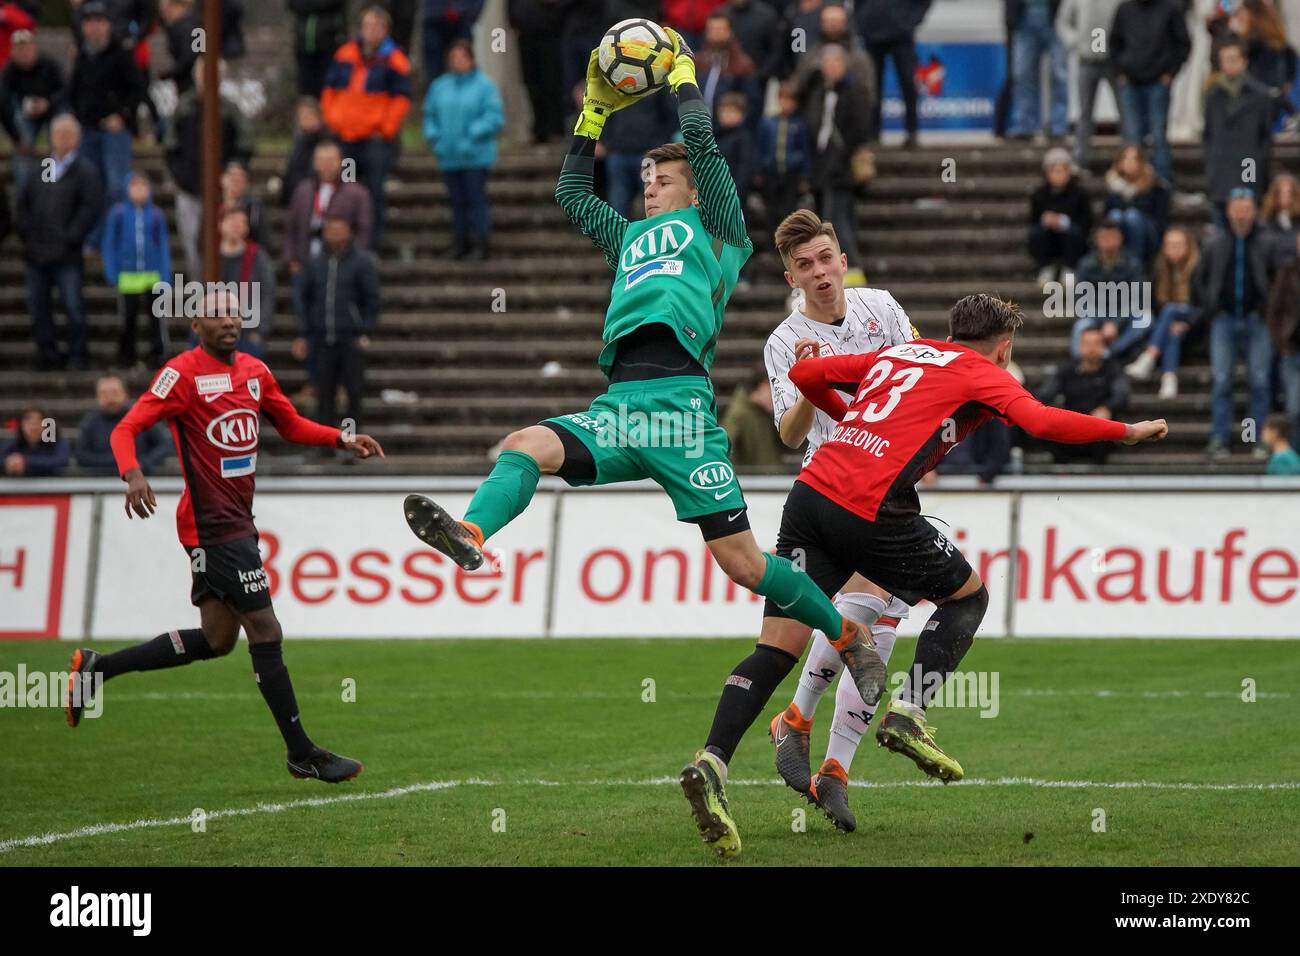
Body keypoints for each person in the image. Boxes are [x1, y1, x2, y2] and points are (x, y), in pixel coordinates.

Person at [403, 38, 887, 860]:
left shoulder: (722, 228)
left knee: (741, 564)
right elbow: (568, 188)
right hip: (623, 405)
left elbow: (700, 144)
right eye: (646, 179)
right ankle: (474, 537)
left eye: (658, 178)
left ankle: (848, 642)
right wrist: (594, 109)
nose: (648, 184)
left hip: (684, 411)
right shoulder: (629, 236)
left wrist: (683, 76)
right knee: (525, 442)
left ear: (690, 188)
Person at [691, 293, 1168, 857]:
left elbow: (806, 372)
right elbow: (1040, 420)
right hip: (870, 507)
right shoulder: (978, 370)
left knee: (778, 647)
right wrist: (1127, 432)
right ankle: (907, 714)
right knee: (967, 597)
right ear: (1004, 347)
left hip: (811, 493)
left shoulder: (907, 352)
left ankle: (713, 762)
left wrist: (853, 424)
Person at [65, 289, 386, 785]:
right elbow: (124, 429)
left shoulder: (255, 373)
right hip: (213, 527)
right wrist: (132, 475)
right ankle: (302, 752)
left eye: (235, 311)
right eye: (216, 313)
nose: (229, 319)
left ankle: (97, 668)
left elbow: (292, 424)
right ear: (196, 324)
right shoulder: (181, 375)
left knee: (218, 640)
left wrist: (340, 438)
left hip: (234, 522)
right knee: (266, 630)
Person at [762, 208, 916, 830]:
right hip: (833, 487)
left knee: (880, 621)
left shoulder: (882, 309)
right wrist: (805, 381)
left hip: (892, 480)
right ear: (791, 276)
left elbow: (919, 374)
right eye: (805, 265)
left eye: (826, 259)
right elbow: (786, 432)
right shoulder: (783, 339)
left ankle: (828, 761)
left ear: (843, 261)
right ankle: (800, 726)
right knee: (868, 604)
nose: (820, 272)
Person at [321, 5, 412, 249]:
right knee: (343, 189)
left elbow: (401, 100)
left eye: (376, 26)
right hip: (345, 137)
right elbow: (329, 91)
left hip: (373, 139)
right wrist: (334, 120)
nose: (371, 31)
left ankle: (372, 243)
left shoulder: (395, 60)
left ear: (385, 30)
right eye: (367, 26)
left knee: (374, 191)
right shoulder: (345, 54)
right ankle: (341, 241)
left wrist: (385, 129)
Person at [17, 114, 103, 371]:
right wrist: (29, 235)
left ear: (77, 139)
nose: (63, 140)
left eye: (68, 135)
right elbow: (24, 203)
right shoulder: (42, 168)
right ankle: (47, 354)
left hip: (67, 253)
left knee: (73, 306)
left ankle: (78, 354)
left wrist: (71, 235)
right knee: (39, 307)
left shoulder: (85, 171)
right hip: (37, 253)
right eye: (59, 134)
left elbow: (90, 207)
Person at [1198, 189, 1276, 460]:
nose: (1242, 214)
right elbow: (1201, 279)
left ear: (1254, 211)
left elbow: (1276, 280)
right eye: (1237, 208)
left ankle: (1259, 441)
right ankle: (1219, 439)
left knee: (1260, 380)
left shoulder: (1267, 242)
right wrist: (1212, 308)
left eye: (1246, 208)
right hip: (1224, 319)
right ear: (1229, 211)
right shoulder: (1214, 242)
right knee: (1222, 381)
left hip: (1258, 320)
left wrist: (1267, 309)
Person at [164, 57, 253, 279]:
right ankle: (200, 293)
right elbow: (170, 147)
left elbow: (245, 145)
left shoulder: (231, 110)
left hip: (223, 192)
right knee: (194, 246)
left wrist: (232, 173)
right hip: (190, 189)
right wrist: (181, 177)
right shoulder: (183, 107)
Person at [67, 0, 146, 249]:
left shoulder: (121, 54)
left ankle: (112, 238)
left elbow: (138, 89)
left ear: (108, 26)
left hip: (114, 132)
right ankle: (93, 239)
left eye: (99, 23)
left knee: (115, 186)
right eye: (90, 23)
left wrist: (122, 115)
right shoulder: (83, 56)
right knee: (90, 187)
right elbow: (73, 90)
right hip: (88, 129)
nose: (94, 28)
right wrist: (74, 117)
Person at [422, 39, 504, 260]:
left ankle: (481, 243)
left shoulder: (485, 86)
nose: (457, 62)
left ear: (471, 59)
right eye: (453, 58)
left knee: (475, 200)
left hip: (475, 156)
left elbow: (494, 117)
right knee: (456, 202)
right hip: (448, 156)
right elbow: (430, 115)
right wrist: (434, 137)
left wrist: (473, 134)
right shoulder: (439, 86)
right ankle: (460, 243)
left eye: (462, 57)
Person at [296, 216, 380, 432]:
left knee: (353, 392)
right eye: (330, 230)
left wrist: (366, 330)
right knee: (325, 393)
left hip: (350, 338)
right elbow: (304, 298)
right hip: (322, 338)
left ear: (349, 233)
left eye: (339, 230)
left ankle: (352, 440)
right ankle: (326, 442)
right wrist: (305, 332)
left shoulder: (361, 262)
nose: (334, 234)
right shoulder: (315, 263)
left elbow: (371, 299)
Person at [800, 44, 873, 287]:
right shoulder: (819, 91)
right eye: (826, 63)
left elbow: (861, 130)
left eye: (835, 63)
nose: (830, 68)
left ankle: (851, 270)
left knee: (838, 219)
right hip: (821, 167)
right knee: (830, 216)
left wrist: (841, 157)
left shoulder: (855, 91)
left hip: (842, 169)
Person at [1110, 0, 1190, 184]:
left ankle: (1162, 183)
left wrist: (1171, 72)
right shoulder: (1124, 10)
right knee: (1132, 136)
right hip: (1130, 81)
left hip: (1158, 81)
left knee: (1158, 135)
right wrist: (1119, 71)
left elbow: (1183, 44)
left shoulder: (1170, 9)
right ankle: (1133, 184)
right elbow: (1112, 41)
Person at [101, 170, 172, 369]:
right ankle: (126, 356)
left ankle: (158, 354)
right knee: (128, 318)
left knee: (156, 318)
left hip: (152, 274)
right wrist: (112, 271)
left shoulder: (156, 215)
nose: (139, 191)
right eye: (135, 186)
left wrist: (165, 274)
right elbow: (109, 244)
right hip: (128, 275)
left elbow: (163, 246)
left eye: (143, 187)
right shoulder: (119, 213)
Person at [1203, 37, 1277, 224]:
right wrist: (1212, 168)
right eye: (1224, 59)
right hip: (1221, 169)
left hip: (1247, 163)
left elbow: (1264, 139)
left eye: (1233, 59)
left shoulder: (1260, 95)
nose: (1228, 64)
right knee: (1220, 226)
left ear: (1244, 61)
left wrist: (1253, 173)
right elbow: (1208, 135)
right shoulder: (1212, 95)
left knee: (1249, 222)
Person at [1037, 325, 1131, 465]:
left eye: (1096, 344)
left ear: (1103, 347)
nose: (1091, 349)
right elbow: (1046, 394)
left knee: (1108, 432)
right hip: (1072, 427)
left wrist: (1107, 408)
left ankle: (1099, 474)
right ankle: (1062, 473)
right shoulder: (1066, 369)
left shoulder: (1113, 369)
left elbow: (1122, 394)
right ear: (1079, 346)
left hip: (1099, 428)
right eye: (1087, 344)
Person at [1125, 225, 1199, 398]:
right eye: (1170, 245)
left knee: (1171, 309)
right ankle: (1169, 378)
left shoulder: (1198, 269)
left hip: (1195, 323)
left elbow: (1205, 307)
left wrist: (1188, 325)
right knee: (1171, 329)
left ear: (1188, 246)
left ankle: (1150, 356)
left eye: (1178, 244)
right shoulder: (1159, 270)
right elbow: (1152, 304)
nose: (1174, 249)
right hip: (1170, 327)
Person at [854, 0, 931, 147]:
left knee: (908, 83)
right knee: (872, 86)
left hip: (902, 37)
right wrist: (861, 22)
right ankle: (873, 133)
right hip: (871, 35)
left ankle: (911, 132)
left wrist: (910, 21)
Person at [1056, 0, 1123, 167]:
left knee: (1125, 111)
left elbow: (1129, 18)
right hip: (1087, 61)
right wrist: (1076, 41)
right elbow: (1062, 22)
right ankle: (1081, 159)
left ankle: (1130, 159)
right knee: (1085, 112)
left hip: (1114, 61)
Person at [0, 28, 64, 195]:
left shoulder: (50, 66)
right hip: (25, 119)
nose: (24, 53)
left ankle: (51, 188)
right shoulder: (8, 73)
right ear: (13, 52)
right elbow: (4, 107)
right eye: (19, 49)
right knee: (23, 146)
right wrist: (16, 138)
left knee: (56, 141)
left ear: (34, 48)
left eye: (27, 48)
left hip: (52, 114)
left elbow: (65, 92)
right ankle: (26, 196)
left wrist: (48, 104)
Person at [75, 374, 172, 475]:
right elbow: (81, 455)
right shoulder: (90, 422)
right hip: (101, 482)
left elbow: (164, 445)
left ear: (125, 394)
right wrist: (118, 463)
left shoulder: (142, 416)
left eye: (114, 392)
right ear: (97, 397)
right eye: (104, 394)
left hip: (141, 479)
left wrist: (143, 463)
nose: (110, 398)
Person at [216, 207, 277, 360]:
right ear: (220, 224)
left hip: (247, 331)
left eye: (242, 222)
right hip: (216, 330)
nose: (237, 226)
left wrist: (261, 330)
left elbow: (268, 292)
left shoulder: (256, 256)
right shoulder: (211, 255)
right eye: (232, 221)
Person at [1029, 146, 1092, 286]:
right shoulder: (1038, 195)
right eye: (1054, 171)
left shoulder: (1080, 194)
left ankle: (1069, 268)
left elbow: (1087, 222)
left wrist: (1064, 222)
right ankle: (1046, 267)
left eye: (1062, 170)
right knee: (1037, 233)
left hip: (1071, 239)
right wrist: (1046, 220)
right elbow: (1032, 221)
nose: (1058, 175)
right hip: (1048, 237)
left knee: (1074, 233)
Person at [1007, 0, 1069, 141]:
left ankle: (1058, 126)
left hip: (1055, 17)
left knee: (1059, 74)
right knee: (1022, 74)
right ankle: (1024, 125)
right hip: (1024, 18)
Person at [755, 81, 811, 230]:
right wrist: (760, 170)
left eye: (791, 100)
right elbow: (761, 147)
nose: (787, 104)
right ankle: (771, 244)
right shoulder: (767, 123)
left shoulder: (799, 124)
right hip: (771, 173)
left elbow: (804, 150)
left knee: (789, 211)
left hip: (791, 173)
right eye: (784, 99)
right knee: (771, 210)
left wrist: (804, 174)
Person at [508, 0, 565, 144]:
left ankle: (555, 129)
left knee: (552, 83)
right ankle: (539, 130)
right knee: (532, 85)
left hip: (550, 37)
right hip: (526, 37)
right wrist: (514, 20)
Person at [1104, 144, 1169, 264]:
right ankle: (1114, 262)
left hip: (1149, 237)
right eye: (1125, 159)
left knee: (1132, 216)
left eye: (1134, 159)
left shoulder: (1156, 186)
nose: (1129, 163)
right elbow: (1105, 217)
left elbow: (1160, 220)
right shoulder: (1112, 187)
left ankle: (1135, 264)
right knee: (1115, 215)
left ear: (1142, 162)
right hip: (1121, 231)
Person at [1264, 230, 1300, 447]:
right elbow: (1274, 310)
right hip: (1293, 350)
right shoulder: (1287, 272)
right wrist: (1282, 342)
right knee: (1294, 409)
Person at [721, 365, 786, 468]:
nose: (778, 396)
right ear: (763, 386)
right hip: (755, 480)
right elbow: (725, 448)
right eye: (775, 390)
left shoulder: (764, 412)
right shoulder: (739, 414)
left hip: (771, 477)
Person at [287, 0, 347, 97]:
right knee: (306, 90)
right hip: (304, 45)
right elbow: (293, 4)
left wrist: (310, 6)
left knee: (329, 88)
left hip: (329, 45)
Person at [419, 0, 481, 88]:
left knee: (464, 65)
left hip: (462, 18)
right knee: (434, 72)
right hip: (433, 18)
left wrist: (472, 12)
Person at [278, 97, 325, 207]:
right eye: (302, 116)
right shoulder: (298, 142)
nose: (305, 118)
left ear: (319, 117)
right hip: (296, 198)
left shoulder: (327, 142)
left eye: (309, 115)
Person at [712, 91, 754, 210]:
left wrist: (736, 191)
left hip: (733, 193)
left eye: (732, 111)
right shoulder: (715, 134)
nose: (727, 115)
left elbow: (744, 167)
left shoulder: (743, 137)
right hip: (714, 191)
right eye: (724, 111)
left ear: (742, 115)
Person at [2, 405, 70, 475]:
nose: (34, 426)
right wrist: (9, 462)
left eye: (39, 421)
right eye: (29, 421)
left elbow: (61, 461)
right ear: (21, 425)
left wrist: (25, 461)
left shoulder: (58, 442)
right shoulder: (14, 443)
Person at [219, 160, 265, 247]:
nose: (236, 181)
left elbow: (261, 239)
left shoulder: (255, 208)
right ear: (222, 179)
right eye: (231, 176)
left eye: (240, 177)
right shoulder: (212, 206)